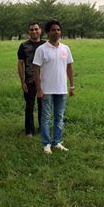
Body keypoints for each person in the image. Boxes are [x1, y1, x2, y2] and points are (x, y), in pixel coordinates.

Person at [33, 20, 75, 154]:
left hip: (61, 89)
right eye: (53, 30)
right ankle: (46, 144)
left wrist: (72, 85)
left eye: (58, 30)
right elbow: (36, 70)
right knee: (46, 117)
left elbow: (69, 68)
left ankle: (57, 141)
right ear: (47, 32)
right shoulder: (41, 49)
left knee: (59, 116)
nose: (56, 32)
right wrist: (39, 89)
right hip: (47, 90)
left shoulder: (65, 48)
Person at [17, 21, 45, 137]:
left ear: (40, 30)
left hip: (44, 81)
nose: (34, 31)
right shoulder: (24, 46)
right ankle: (29, 130)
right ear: (28, 32)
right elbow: (20, 64)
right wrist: (22, 81)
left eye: (36, 29)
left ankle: (43, 128)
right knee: (29, 106)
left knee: (43, 107)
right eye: (31, 30)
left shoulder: (46, 45)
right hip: (29, 81)